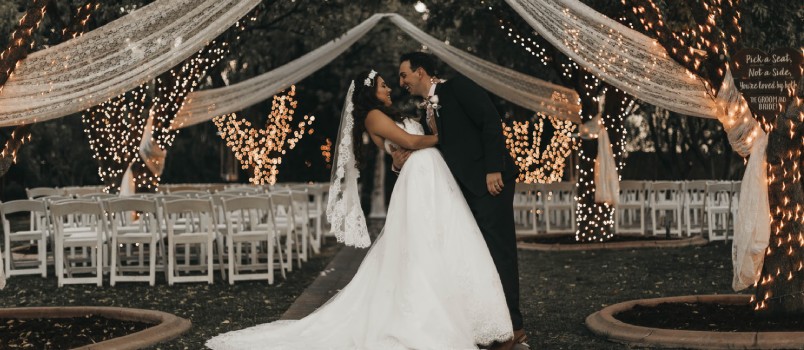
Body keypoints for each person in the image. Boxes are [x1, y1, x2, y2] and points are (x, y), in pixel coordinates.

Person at [206, 70, 513, 349]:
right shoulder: (373, 117)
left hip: (432, 176)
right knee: (420, 246)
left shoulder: (393, 112)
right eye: (383, 85)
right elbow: (408, 140)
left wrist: (415, 148)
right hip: (420, 179)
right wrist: (447, 140)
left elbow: (407, 145)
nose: (390, 87)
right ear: (371, 92)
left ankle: (464, 312)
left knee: (446, 240)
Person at [396, 51, 527, 349]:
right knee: (479, 257)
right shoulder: (426, 109)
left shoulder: (457, 87)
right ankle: (492, 322)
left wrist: (494, 168)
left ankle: (515, 326)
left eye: (404, 74)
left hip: (490, 183)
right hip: (463, 190)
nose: (401, 81)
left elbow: (491, 122)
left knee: (500, 252)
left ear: (420, 72)